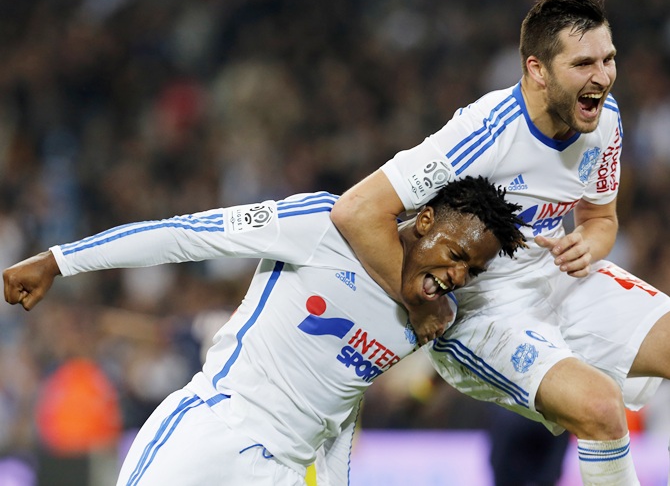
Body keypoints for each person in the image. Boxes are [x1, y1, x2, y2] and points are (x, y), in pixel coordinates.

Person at [330, 0, 670, 485]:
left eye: (608, 58)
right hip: (484, 309)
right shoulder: (483, 134)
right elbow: (358, 210)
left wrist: (589, 245)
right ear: (537, 69)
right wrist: (423, 306)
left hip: (558, 276)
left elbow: (601, 218)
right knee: (600, 408)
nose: (602, 76)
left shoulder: (605, 120)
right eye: (583, 64)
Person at [3, 177, 526, 485]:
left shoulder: (428, 317)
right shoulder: (324, 224)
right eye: (456, 255)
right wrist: (61, 260)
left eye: (471, 271)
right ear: (426, 219)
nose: (457, 275)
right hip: (212, 434)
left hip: (280, 473)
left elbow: (342, 402)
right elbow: (187, 236)